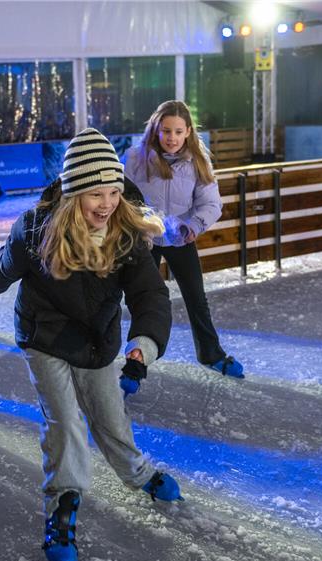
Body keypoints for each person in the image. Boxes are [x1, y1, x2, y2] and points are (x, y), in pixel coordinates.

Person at [0, 128, 184, 561]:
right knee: (65, 422)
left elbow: (150, 296)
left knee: (110, 415)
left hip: (98, 340)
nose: (107, 202)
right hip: (45, 337)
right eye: (96, 192)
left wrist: (144, 344)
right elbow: (0, 269)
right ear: (74, 194)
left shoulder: (127, 234)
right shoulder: (36, 231)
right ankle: (62, 506)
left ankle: (136, 471)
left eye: (114, 190)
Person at [124, 101, 245, 378]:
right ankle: (134, 363)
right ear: (156, 130)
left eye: (179, 132)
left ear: (188, 131)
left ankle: (211, 354)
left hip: (180, 238)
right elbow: (122, 197)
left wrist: (193, 225)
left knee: (196, 298)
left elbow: (211, 204)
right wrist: (139, 224)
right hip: (146, 239)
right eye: (166, 131)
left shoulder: (198, 161)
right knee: (144, 299)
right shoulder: (135, 158)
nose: (172, 138)